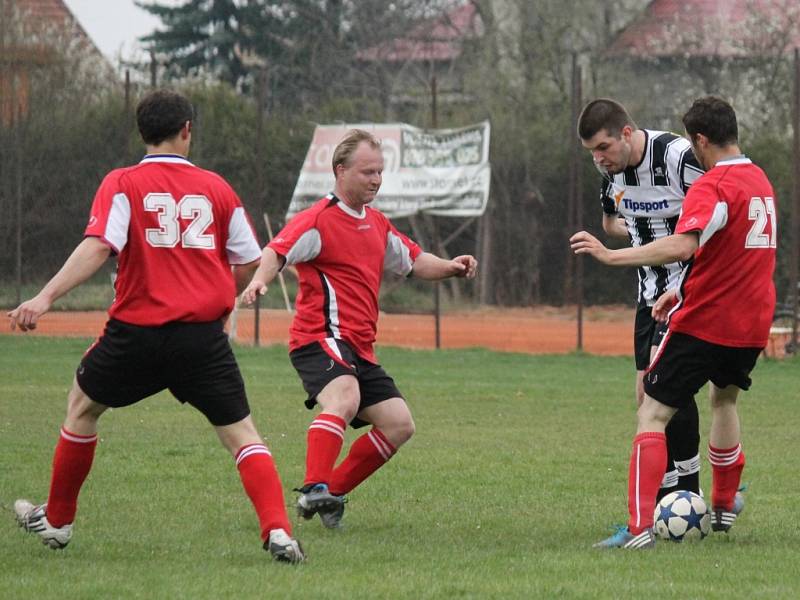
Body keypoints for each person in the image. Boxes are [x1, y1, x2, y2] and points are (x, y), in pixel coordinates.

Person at [8, 89, 304, 563]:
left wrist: (44, 297)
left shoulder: (123, 182)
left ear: (142, 132)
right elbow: (250, 261)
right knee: (243, 435)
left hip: (136, 334)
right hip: (201, 339)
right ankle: (279, 532)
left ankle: (59, 521)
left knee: (82, 408)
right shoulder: (217, 189)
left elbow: (99, 245)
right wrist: (216, 294)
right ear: (187, 129)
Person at [241, 129, 478, 528]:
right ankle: (315, 485)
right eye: (368, 171)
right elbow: (275, 251)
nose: (376, 180)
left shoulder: (378, 224)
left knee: (399, 424)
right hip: (318, 338)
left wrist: (451, 267)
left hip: (359, 348)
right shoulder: (317, 220)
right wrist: (260, 279)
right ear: (340, 171)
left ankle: (331, 494)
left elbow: (415, 261)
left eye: (380, 172)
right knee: (345, 396)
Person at [571, 96, 777, 548]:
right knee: (713, 399)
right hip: (700, 302)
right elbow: (621, 219)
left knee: (654, 405)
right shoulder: (758, 177)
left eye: (604, 147)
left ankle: (660, 512)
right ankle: (717, 504)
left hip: (699, 303)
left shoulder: (689, 165)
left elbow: (692, 239)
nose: (599, 159)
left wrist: (616, 257)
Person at [577, 98, 705, 499]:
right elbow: (611, 221)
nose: (598, 159)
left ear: (626, 133)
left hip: (687, 288)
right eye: (592, 152)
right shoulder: (610, 172)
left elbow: (716, 214)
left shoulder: (677, 156)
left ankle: (684, 489)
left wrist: (669, 236)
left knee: (658, 390)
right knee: (648, 395)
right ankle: (677, 492)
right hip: (648, 294)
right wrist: (642, 230)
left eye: (603, 147)